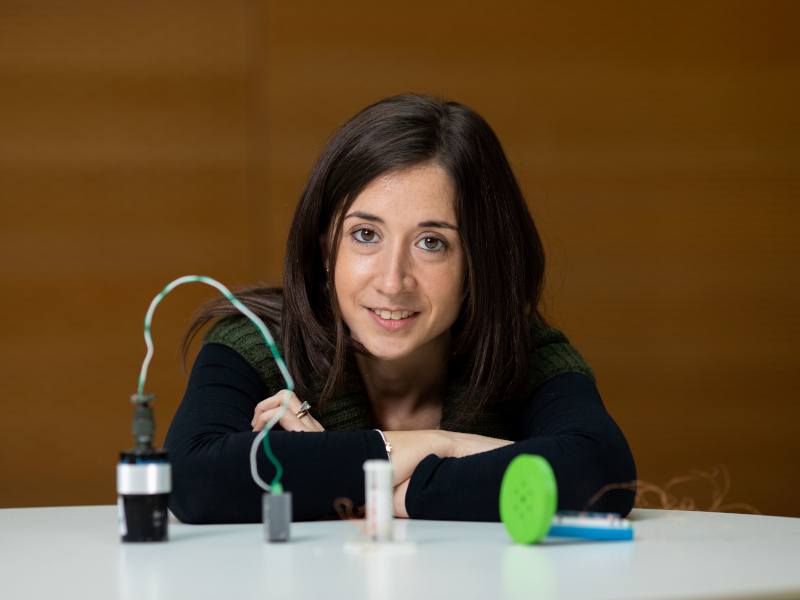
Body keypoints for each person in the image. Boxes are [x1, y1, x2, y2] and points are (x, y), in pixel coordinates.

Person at [165, 93, 636, 524]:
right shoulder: (257, 341)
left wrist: (388, 492)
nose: (393, 281)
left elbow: (600, 474)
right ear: (326, 245)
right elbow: (192, 480)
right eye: (365, 235)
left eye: (432, 243)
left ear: (479, 261)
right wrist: (438, 446)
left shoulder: (520, 348)